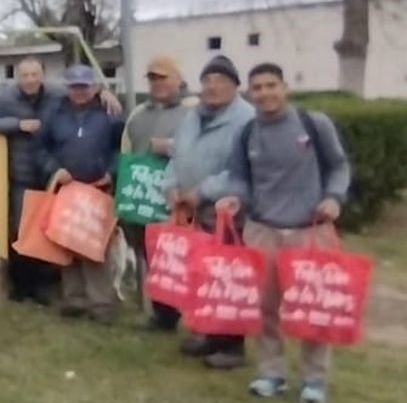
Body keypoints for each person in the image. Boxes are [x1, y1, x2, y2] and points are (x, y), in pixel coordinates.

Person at [218, 62, 351, 403]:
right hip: (262, 230)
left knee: (313, 308)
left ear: (285, 87)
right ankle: (271, 373)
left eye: (271, 85)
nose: (265, 93)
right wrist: (235, 197)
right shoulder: (246, 133)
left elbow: (338, 166)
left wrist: (333, 198)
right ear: (250, 94)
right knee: (265, 307)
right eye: (258, 88)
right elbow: (239, 177)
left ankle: (314, 379)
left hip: (311, 230)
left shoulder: (313, 123)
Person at [0, 58, 121, 305]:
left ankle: (72, 293)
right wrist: (19, 125)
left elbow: (117, 143)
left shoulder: (62, 97)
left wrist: (106, 92)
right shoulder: (7, 98)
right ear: (17, 77)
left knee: (73, 236)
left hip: (69, 183)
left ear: (43, 75)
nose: (30, 79)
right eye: (25, 75)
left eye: (35, 74)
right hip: (28, 177)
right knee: (26, 233)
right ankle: (25, 288)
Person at [163, 55, 256, 370]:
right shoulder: (192, 116)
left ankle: (232, 346)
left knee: (229, 278)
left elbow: (241, 170)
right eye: (207, 80)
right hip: (193, 211)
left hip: (228, 213)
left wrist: (200, 191)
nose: (212, 86)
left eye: (220, 80)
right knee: (203, 275)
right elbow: (176, 155)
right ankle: (208, 334)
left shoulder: (246, 119)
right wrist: (173, 187)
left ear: (234, 85)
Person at [37, 64, 125, 324]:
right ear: (67, 87)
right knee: (67, 242)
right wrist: (54, 169)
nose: (79, 91)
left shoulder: (111, 112)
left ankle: (102, 303)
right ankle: (74, 299)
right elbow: (40, 149)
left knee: (95, 245)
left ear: (94, 86)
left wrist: (113, 171)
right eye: (74, 86)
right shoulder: (54, 113)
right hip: (67, 187)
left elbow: (123, 147)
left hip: (98, 186)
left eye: (84, 86)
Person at [121, 55, 193, 332]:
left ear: (178, 78)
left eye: (163, 78)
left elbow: (203, 148)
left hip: (180, 199)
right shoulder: (138, 114)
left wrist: (171, 146)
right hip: (143, 201)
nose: (157, 84)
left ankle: (192, 314)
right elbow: (125, 150)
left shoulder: (194, 110)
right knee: (152, 257)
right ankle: (163, 315)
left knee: (182, 259)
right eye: (152, 79)